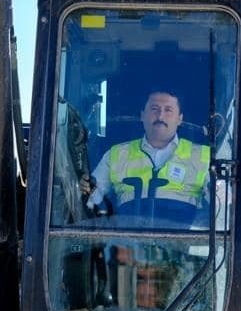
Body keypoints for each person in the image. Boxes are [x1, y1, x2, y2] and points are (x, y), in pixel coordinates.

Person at [82, 89, 211, 222]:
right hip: (126, 233)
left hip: (184, 233)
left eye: (168, 110)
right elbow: (91, 200)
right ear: (142, 115)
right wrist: (85, 188)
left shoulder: (204, 158)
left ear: (180, 118)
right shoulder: (116, 155)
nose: (160, 117)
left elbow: (220, 205)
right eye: (154, 109)